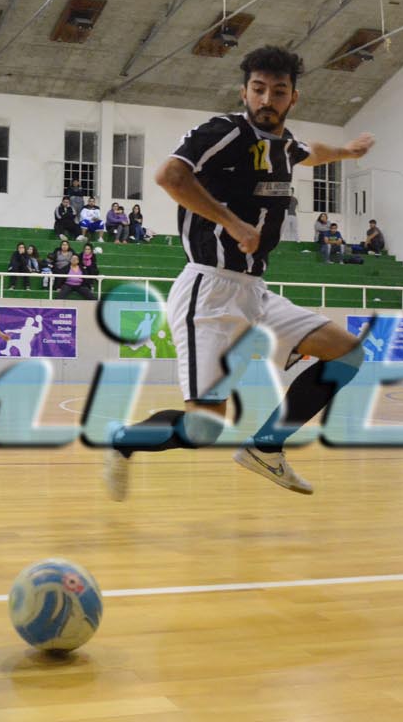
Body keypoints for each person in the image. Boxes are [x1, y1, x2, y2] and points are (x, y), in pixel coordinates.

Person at [104, 45, 375, 501]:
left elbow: (311, 152)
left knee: (347, 354)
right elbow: (170, 176)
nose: (267, 99)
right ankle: (124, 439)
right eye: (258, 89)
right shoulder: (224, 131)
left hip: (255, 292)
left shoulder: (286, 145)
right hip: (208, 292)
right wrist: (232, 222)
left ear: (293, 97)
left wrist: (347, 151)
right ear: (244, 91)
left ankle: (266, 447)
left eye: (278, 91)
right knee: (204, 429)